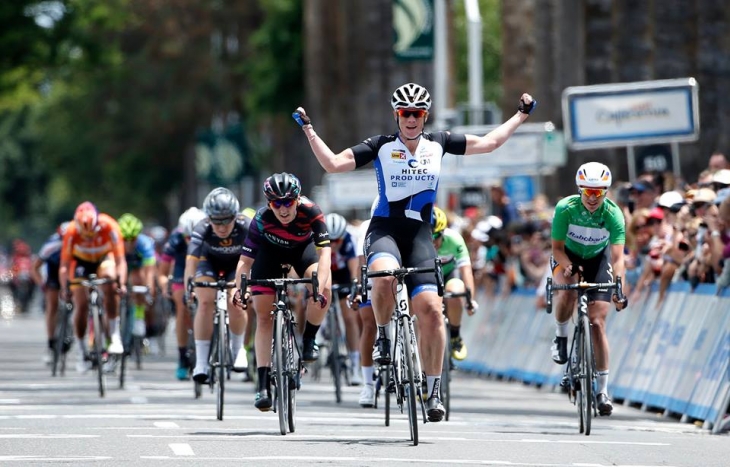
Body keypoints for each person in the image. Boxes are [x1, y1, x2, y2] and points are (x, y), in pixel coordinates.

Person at [293, 82, 536, 422]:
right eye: (405, 113)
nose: (411, 119)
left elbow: (490, 143)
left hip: (420, 236)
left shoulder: (439, 143)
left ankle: (433, 390)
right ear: (397, 115)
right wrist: (309, 130)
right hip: (385, 231)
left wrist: (521, 115)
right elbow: (334, 164)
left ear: (425, 116)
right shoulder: (380, 146)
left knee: (433, 312)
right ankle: (382, 336)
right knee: (383, 277)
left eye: (417, 114)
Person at [234, 172, 332, 411]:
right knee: (264, 316)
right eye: (277, 203)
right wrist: (241, 290)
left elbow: (325, 254)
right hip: (268, 256)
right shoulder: (261, 219)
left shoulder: (312, 211)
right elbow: (245, 262)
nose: (283, 209)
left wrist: (319, 286)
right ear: (269, 203)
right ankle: (263, 384)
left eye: (288, 202)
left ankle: (309, 339)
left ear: (297, 200)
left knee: (323, 286)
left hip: (302, 253)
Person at [550, 162, 628, 416]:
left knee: (598, 323)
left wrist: (619, 288)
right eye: (588, 192)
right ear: (580, 190)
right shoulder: (565, 208)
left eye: (599, 192)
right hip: (567, 256)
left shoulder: (613, 214)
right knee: (568, 291)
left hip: (597, 260)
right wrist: (568, 266)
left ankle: (602, 391)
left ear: (606, 192)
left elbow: (618, 258)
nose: (593, 198)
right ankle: (561, 336)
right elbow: (557, 248)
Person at [184, 188, 250, 383]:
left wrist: (251, 285)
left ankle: (238, 349)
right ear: (208, 218)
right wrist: (190, 284)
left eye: (227, 220)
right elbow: (191, 261)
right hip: (208, 263)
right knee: (204, 302)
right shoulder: (201, 227)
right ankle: (202, 362)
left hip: (236, 265)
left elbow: (259, 258)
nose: (221, 227)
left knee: (236, 301)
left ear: (235, 216)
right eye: (216, 220)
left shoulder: (246, 225)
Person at [59, 202, 128, 373]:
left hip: (103, 258)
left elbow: (120, 261)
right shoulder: (71, 231)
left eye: (92, 233)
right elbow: (64, 266)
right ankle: (82, 351)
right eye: (85, 235)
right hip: (81, 262)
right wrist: (64, 288)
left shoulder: (110, 225)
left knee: (111, 282)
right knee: (81, 304)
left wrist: (122, 283)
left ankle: (114, 335)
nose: (89, 237)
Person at [159, 207, 207, 380]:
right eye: (188, 238)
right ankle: (181, 357)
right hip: (181, 269)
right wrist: (166, 286)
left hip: (205, 266)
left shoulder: (210, 234)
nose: (191, 241)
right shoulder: (176, 239)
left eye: (194, 238)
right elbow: (163, 272)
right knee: (182, 304)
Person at [431, 207, 477, 360]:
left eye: (437, 236)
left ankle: (455, 336)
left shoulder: (454, 239)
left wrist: (470, 300)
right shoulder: (418, 242)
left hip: (450, 273)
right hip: (428, 276)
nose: (433, 241)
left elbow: (466, 271)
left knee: (456, 292)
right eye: (429, 236)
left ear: (443, 232)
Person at [325, 212, 362, 385]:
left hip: (343, 274)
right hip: (326, 272)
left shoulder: (348, 239)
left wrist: (354, 285)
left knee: (349, 317)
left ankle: (355, 364)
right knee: (310, 298)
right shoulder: (318, 239)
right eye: (329, 241)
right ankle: (317, 333)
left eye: (336, 241)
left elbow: (354, 266)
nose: (333, 245)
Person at [31, 221, 71, 363]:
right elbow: (35, 268)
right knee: (52, 305)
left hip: (71, 272)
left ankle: (71, 324)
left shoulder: (79, 245)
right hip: (53, 274)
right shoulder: (50, 246)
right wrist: (42, 283)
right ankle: (50, 343)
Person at [118, 214, 157, 339]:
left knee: (139, 281)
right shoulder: (115, 243)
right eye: (125, 239)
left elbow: (149, 271)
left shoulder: (144, 243)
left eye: (133, 239)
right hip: (121, 264)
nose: (129, 244)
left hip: (138, 266)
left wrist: (149, 288)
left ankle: (139, 319)